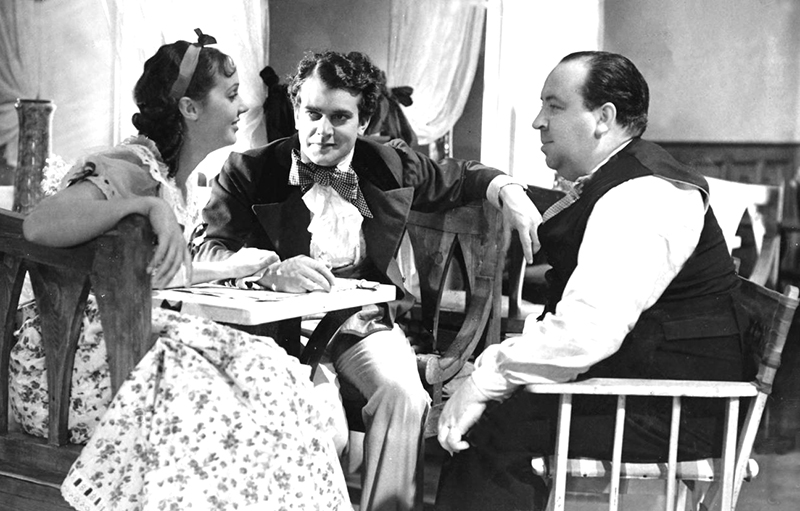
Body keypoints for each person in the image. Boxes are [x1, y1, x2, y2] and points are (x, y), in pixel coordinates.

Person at [14, 31, 351, 510]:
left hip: (117, 345)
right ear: (190, 109)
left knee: (275, 377)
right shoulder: (133, 165)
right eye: (231, 95)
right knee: (259, 388)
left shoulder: (171, 179)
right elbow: (39, 223)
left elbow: (151, 273)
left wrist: (235, 267)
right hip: (71, 369)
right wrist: (145, 207)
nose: (243, 106)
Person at [195, 50, 539, 511]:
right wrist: (267, 272)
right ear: (295, 110)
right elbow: (209, 252)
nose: (322, 130)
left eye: (340, 117)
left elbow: (460, 177)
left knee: (405, 396)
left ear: (365, 120)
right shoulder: (250, 171)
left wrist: (509, 190)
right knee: (323, 425)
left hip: (364, 322)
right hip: (283, 335)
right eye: (312, 113)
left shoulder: (388, 164)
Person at [435, 51, 747, 510]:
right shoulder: (618, 178)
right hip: (646, 386)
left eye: (555, 106)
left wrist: (485, 380)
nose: (539, 121)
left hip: (679, 409)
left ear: (604, 118)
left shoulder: (646, 195)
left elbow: (587, 332)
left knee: (491, 430)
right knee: (498, 412)